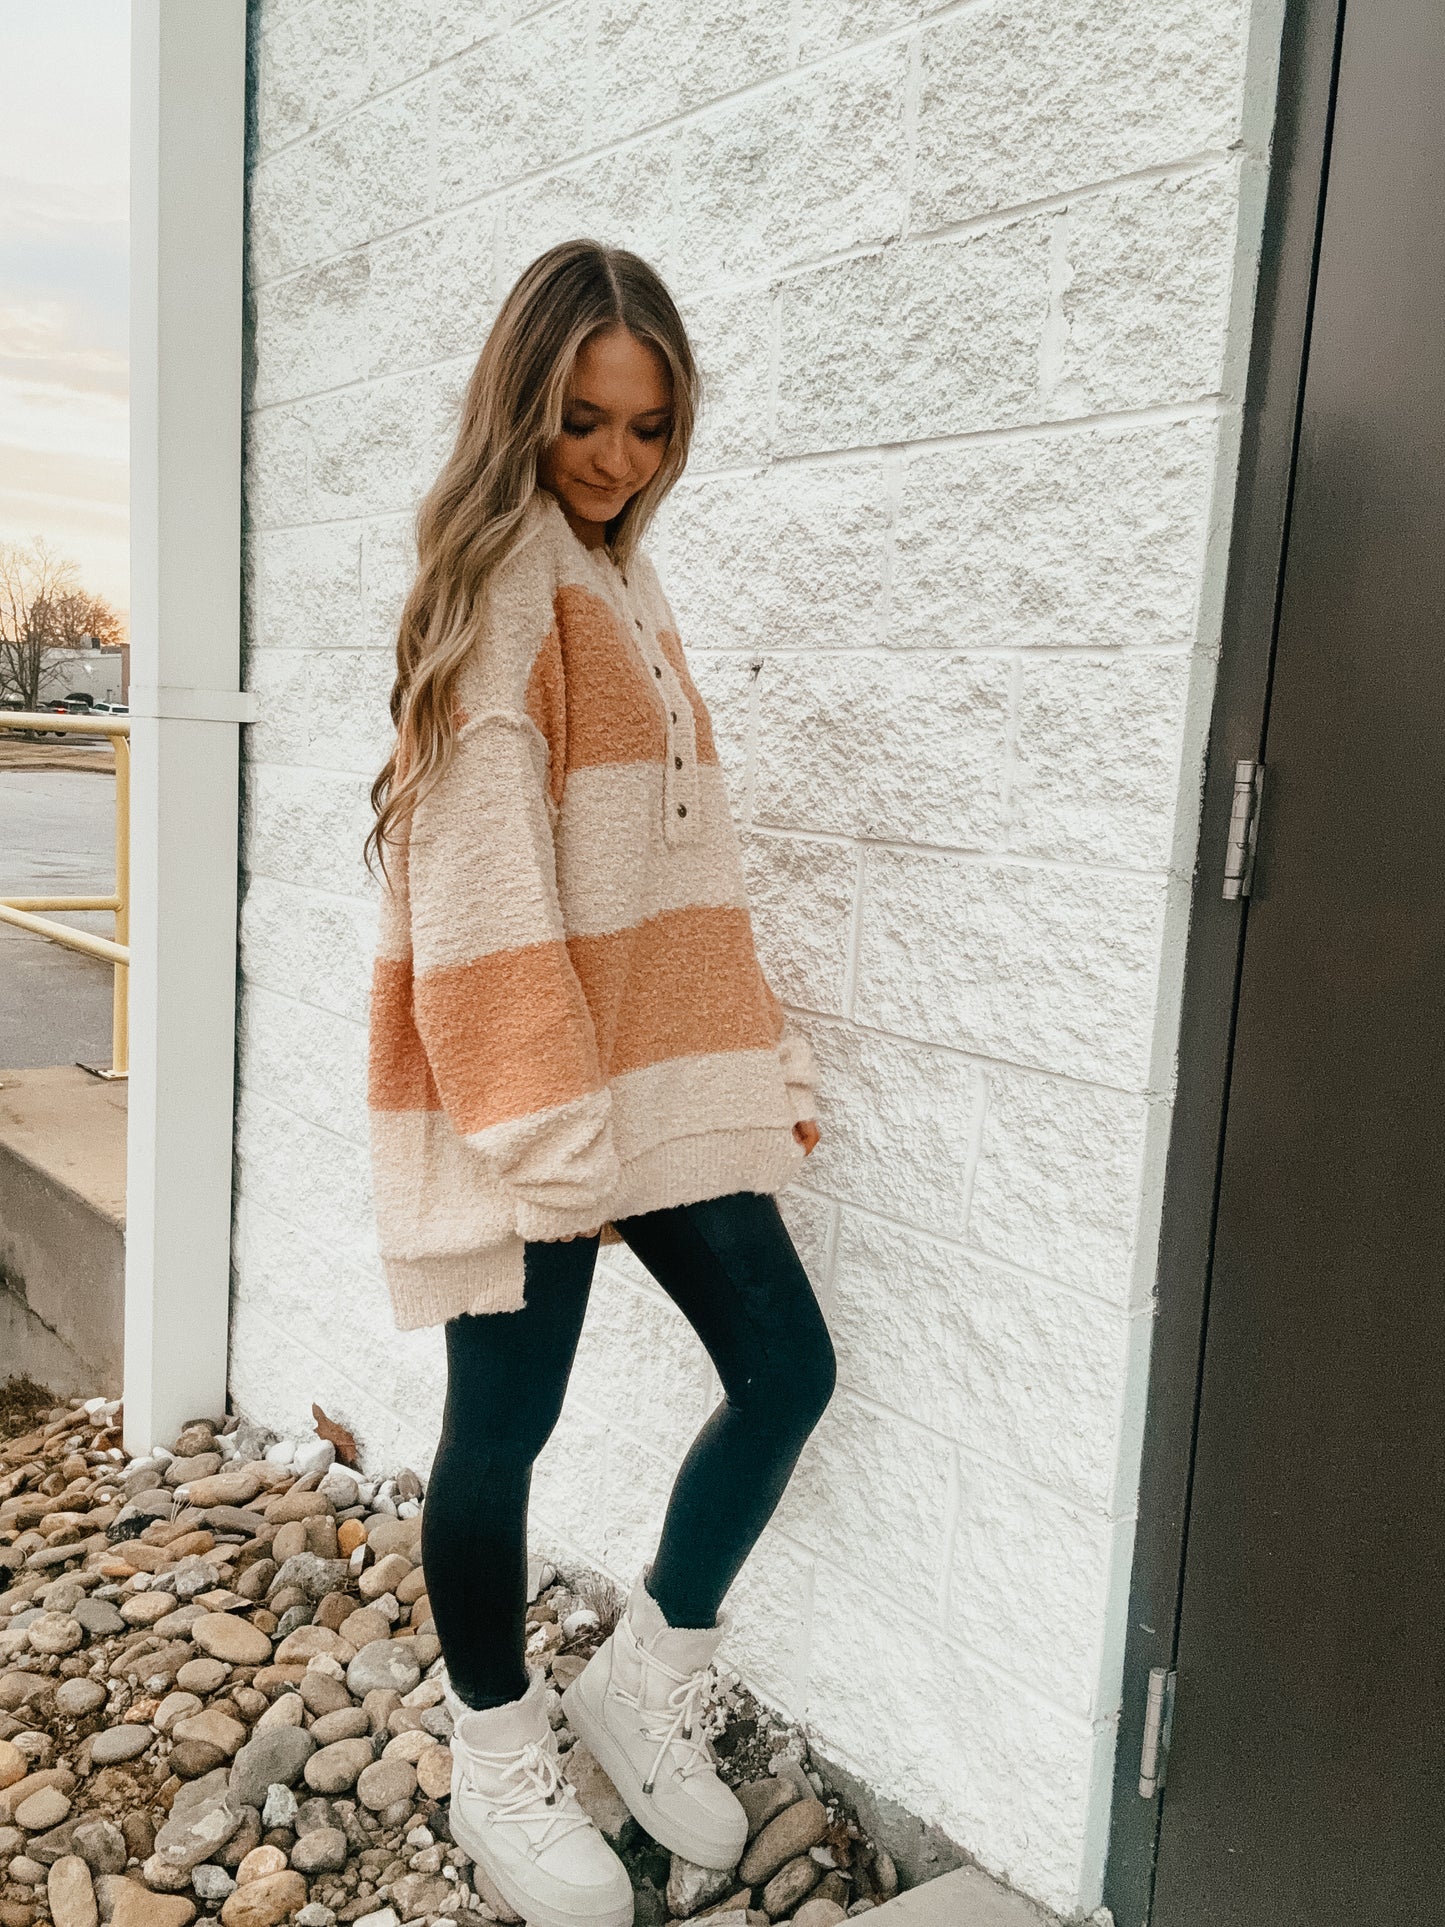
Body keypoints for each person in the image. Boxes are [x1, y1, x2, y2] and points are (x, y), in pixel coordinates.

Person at [364, 240, 837, 1927]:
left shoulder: (619, 573)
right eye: (581, 420)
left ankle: (645, 1679)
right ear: (523, 408)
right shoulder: (503, 584)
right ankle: (496, 1749)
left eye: (649, 427)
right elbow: (481, 881)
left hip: (656, 1078)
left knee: (785, 1369)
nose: (616, 457)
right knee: (502, 1430)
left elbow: (667, 867)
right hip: (538, 1089)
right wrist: (540, 1125)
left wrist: (750, 1048)